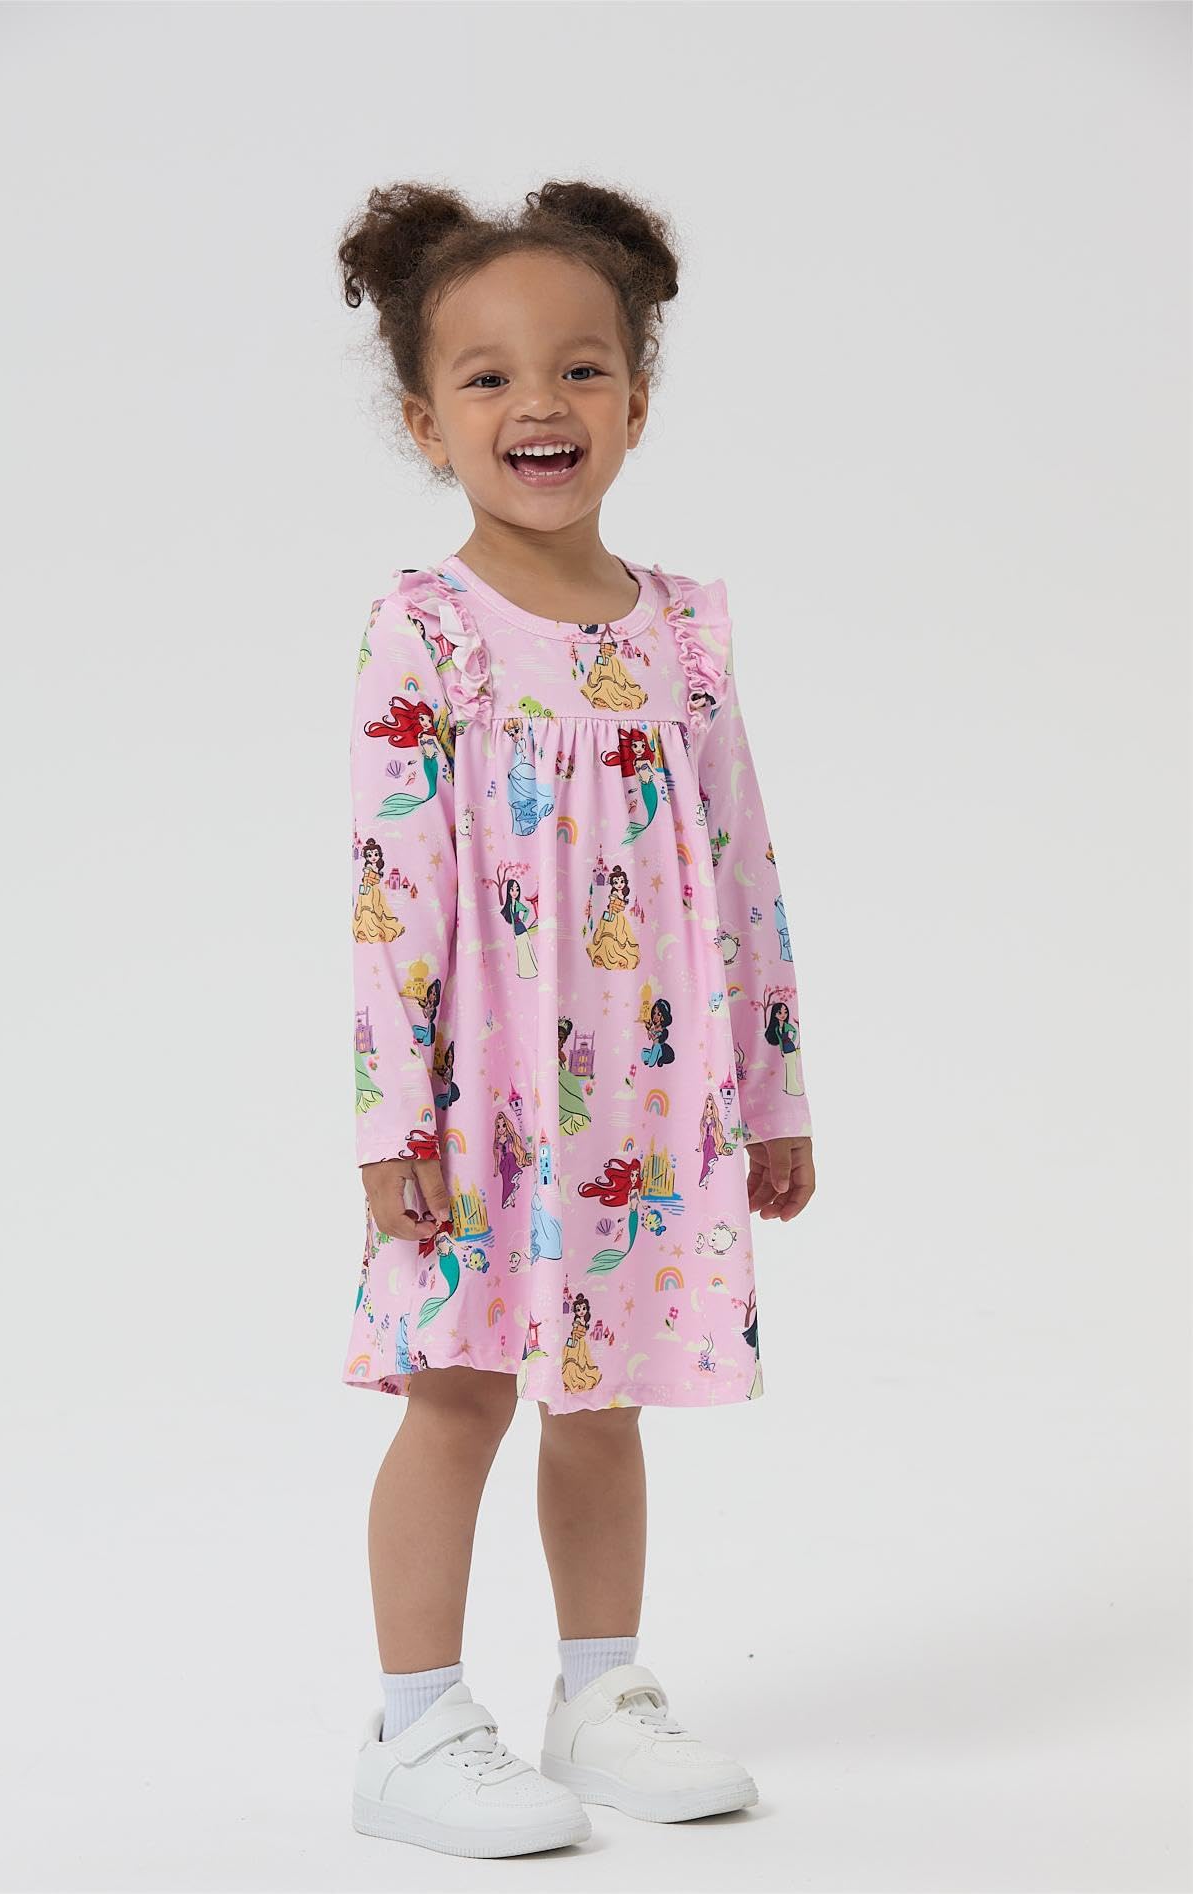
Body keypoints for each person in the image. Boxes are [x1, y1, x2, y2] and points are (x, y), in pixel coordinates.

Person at [337, 178, 817, 1861]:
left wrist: (772, 1090)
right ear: (427, 421)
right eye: (486, 377)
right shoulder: (427, 632)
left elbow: (741, 862)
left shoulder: (681, 629)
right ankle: (414, 1724)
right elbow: (387, 890)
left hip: (644, 1108)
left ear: (634, 398)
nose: (537, 402)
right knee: (458, 1393)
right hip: (478, 1109)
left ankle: (599, 1694)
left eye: (580, 367)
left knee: (601, 1398)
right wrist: (390, 1122)